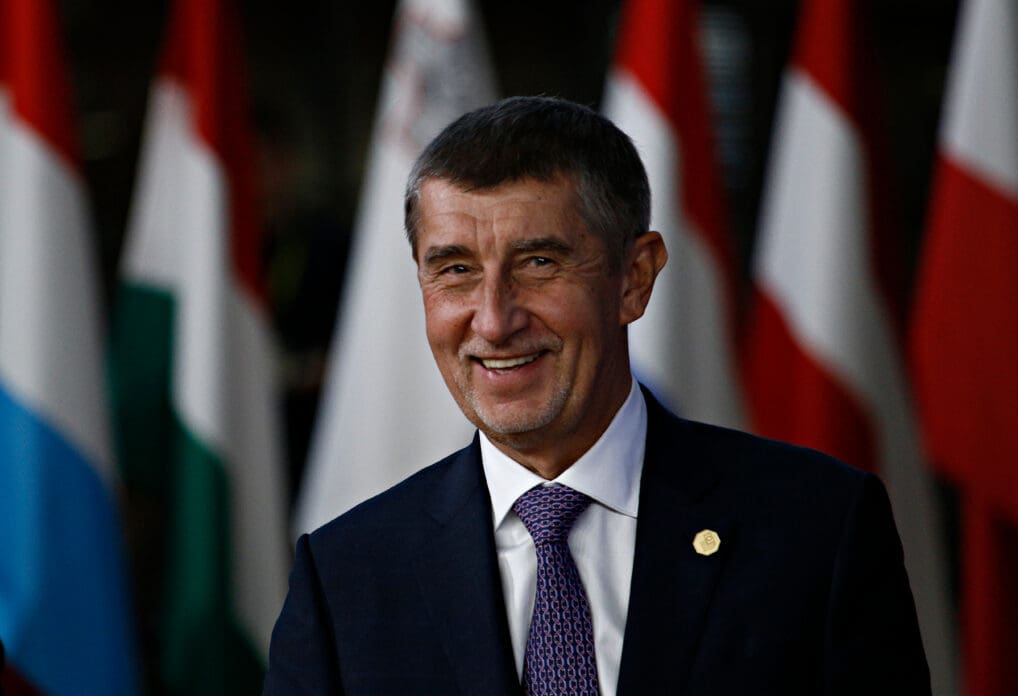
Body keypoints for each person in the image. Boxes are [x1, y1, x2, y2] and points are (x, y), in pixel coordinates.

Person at [263, 96, 930, 695]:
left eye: (539, 263)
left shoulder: (818, 532)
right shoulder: (345, 577)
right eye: (456, 270)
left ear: (634, 279)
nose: (493, 321)